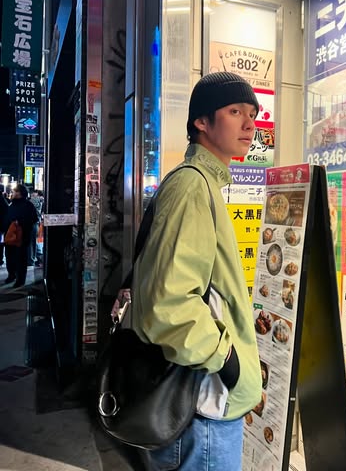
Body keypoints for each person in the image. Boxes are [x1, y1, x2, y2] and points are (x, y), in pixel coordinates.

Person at [131, 72, 262, 471]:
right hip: (202, 406)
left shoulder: (201, 183)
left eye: (252, 113)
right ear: (201, 122)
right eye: (235, 111)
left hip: (202, 401)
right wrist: (227, 360)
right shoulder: (192, 187)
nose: (249, 124)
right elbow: (170, 304)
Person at [4, 184, 38, 287]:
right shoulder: (12, 204)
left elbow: (33, 219)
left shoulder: (28, 205)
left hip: (22, 237)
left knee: (21, 258)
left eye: (14, 191)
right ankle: (11, 275)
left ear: (20, 193)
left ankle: (20, 279)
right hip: (10, 236)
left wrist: (20, 223)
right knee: (10, 256)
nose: (12, 193)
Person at [28, 189, 44, 266]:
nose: (32, 196)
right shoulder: (42, 201)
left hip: (33, 223)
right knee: (36, 241)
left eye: (33, 195)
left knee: (33, 242)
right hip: (38, 222)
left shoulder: (34, 201)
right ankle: (38, 258)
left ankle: (33, 259)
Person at [0, 185, 9, 266]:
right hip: (1, 226)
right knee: (0, 243)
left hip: (1, 226)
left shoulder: (2, 200)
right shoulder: (3, 200)